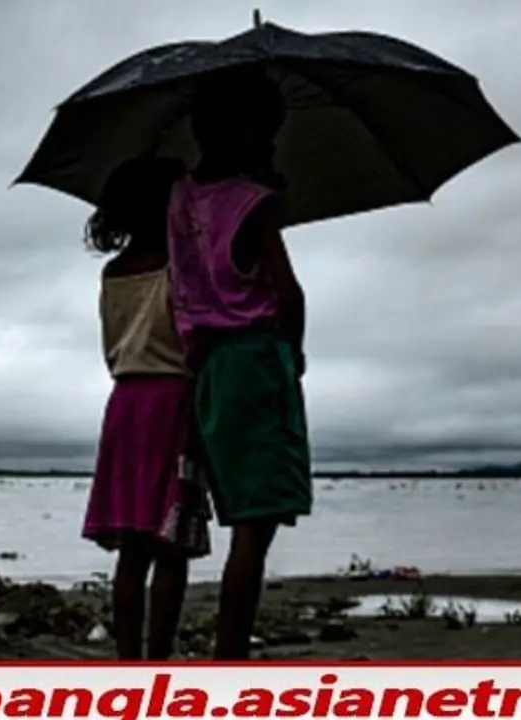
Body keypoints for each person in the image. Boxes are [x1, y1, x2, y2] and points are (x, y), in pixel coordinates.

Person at [166, 66, 312, 660]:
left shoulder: (178, 196)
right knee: (256, 526)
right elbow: (289, 293)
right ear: (242, 131)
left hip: (209, 369)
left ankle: (229, 652)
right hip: (256, 359)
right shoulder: (254, 203)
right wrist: (295, 352)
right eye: (267, 130)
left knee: (240, 517)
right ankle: (230, 655)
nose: (272, 143)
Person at [80, 154, 212, 660]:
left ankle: (129, 663)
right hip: (174, 403)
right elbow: (194, 339)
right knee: (173, 544)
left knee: (134, 547)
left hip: (125, 406)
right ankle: (158, 661)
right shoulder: (178, 267)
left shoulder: (114, 273)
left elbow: (111, 345)